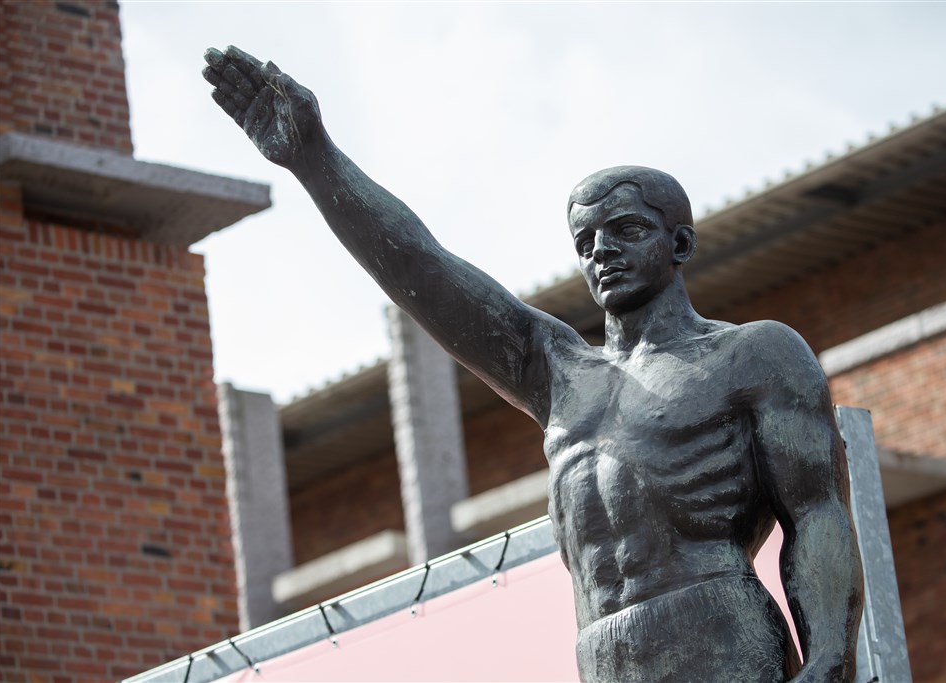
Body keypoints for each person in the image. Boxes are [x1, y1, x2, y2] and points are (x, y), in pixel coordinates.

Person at [203, 45, 863, 682]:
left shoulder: (753, 354)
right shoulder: (558, 372)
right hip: (603, 658)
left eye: (627, 229)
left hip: (720, 639)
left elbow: (816, 515)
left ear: (680, 242)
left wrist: (829, 660)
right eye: (586, 241)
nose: (602, 251)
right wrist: (315, 159)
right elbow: (420, 267)